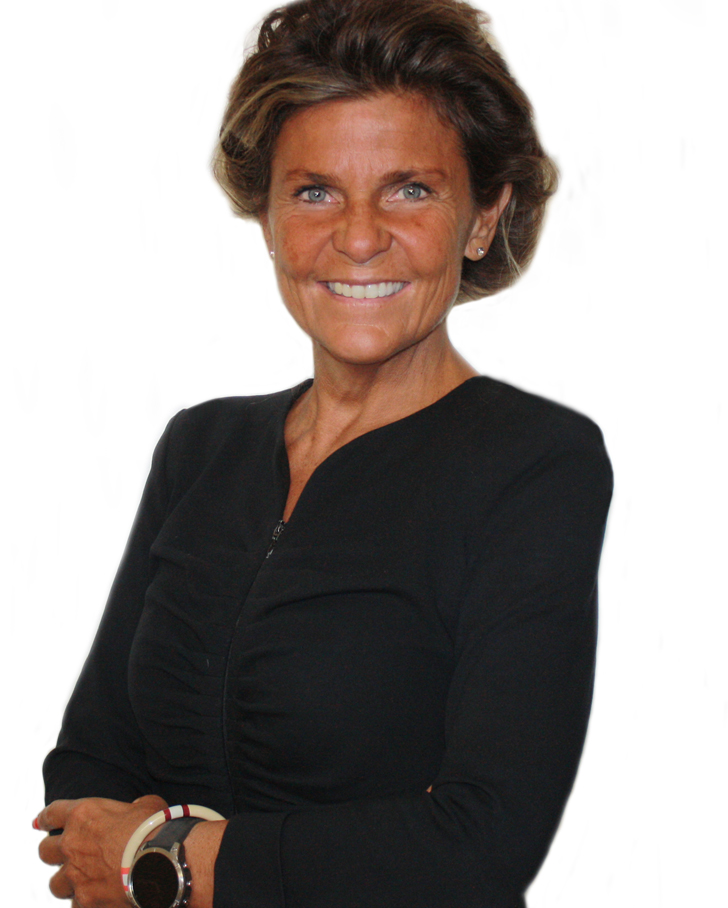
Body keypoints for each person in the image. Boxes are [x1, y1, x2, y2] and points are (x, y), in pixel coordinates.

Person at [34, 0, 613, 906]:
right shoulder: (201, 447)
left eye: (410, 189)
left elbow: (482, 840)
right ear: (267, 218)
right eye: (314, 192)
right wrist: (140, 846)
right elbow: (86, 766)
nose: (359, 235)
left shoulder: (535, 464)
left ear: (481, 217)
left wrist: (165, 862)